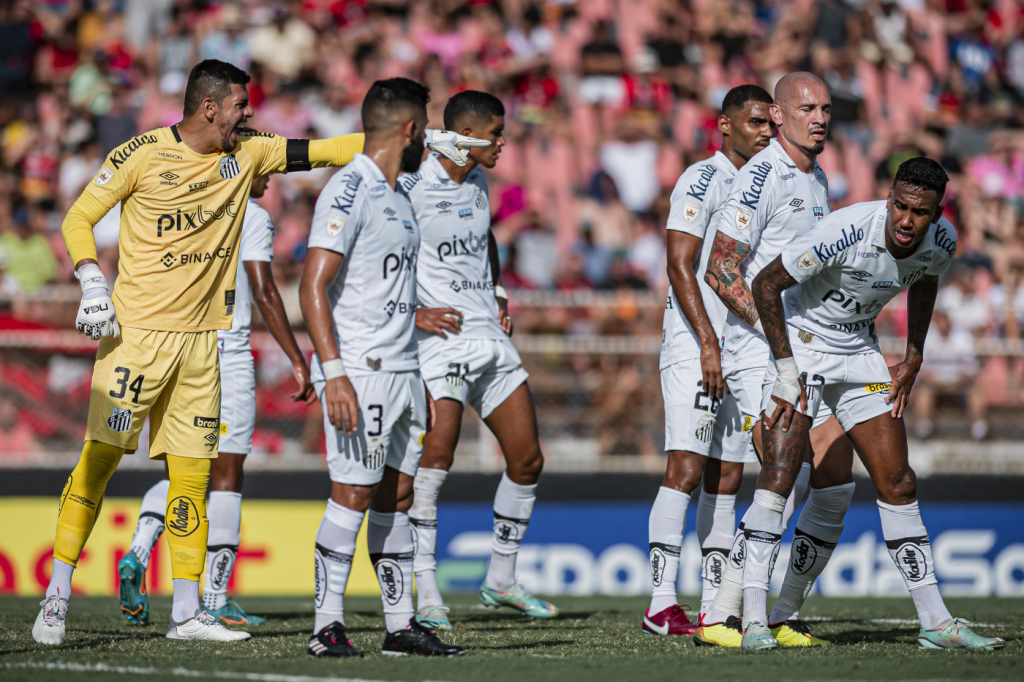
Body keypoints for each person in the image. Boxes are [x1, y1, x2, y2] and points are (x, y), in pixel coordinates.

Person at [35, 58, 485, 647]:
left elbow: (326, 150)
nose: (249, 115)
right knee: (98, 463)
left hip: (204, 346)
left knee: (193, 482)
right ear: (210, 107)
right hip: (137, 339)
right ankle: (56, 596)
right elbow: (79, 218)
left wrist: (427, 138)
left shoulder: (247, 151)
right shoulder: (138, 154)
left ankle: (188, 612)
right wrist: (92, 281)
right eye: (241, 106)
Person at [750, 157, 1004, 652]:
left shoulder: (943, 242)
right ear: (889, 200)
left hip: (860, 353)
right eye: (901, 207)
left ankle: (935, 623)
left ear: (937, 213)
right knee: (780, 476)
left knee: (898, 481)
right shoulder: (844, 231)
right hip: (801, 347)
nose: (907, 221)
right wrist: (783, 370)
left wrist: (914, 354)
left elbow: (926, 280)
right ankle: (754, 620)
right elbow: (765, 285)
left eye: (920, 212)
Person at [300, 78, 469, 659]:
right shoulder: (349, 189)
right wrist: (334, 372)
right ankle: (326, 626)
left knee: (396, 495)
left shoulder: (399, 194)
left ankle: (400, 627)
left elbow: (378, 284)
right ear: (410, 129)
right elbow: (313, 285)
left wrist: (415, 325)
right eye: (424, 125)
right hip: (361, 371)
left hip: (402, 367)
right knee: (352, 490)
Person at [699, 72, 855, 649]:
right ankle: (728, 616)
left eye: (825, 108)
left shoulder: (818, 181)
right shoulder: (761, 175)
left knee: (825, 477)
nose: (819, 117)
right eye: (805, 107)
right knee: (783, 471)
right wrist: (774, 333)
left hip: (805, 347)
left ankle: (775, 611)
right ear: (779, 115)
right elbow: (721, 269)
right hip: (757, 350)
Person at [116, 173, 313, 628]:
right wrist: (296, 357)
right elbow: (263, 290)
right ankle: (217, 596)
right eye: (267, 165)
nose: (273, 177)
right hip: (225, 357)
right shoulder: (252, 216)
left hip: (173, 355)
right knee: (226, 474)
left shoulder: (184, 206)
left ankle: (140, 550)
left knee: (183, 472)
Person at [401, 90, 557, 632]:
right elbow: (373, 255)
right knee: (434, 464)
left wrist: (498, 293)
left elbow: (485, 238)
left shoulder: (477, 179)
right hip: (438, 341)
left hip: (487, 335)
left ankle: (500, 578)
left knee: (528, 460)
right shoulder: (411, 184)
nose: (503, 142)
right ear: (466, 135)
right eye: (495, 133)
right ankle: (424, 590)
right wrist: (413, 314)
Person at [644, 84, 774, 637]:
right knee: (687, 469)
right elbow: (679, 263)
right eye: (753, 122)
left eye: (770, 123)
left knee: (727, 476)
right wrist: (706, 341)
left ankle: (714, 603)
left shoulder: (767, 184)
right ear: (724, 125)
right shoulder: (703, 178)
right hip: (697, 347)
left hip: (743, 351)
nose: (765, 132)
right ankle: (659, 601)